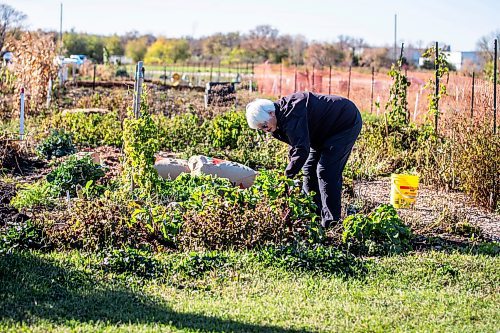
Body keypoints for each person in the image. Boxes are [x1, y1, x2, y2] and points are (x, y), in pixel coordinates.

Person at [245, 92, 362, 228]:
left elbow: (301, 150)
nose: (265, 130)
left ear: (271, 113)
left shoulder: (291, 114)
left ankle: (331, 222)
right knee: (309, 168)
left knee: (326, 171)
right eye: (261, 128)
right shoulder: (276, 123)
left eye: (264, 125)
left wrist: (287, 177)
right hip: (322, 133)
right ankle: (313, 215)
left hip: (344, 122)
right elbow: (297, 145)